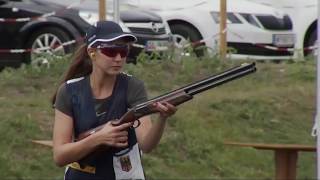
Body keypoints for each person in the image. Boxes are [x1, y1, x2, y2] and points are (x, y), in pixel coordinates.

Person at [51, 21, 177, 180]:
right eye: (110, 51)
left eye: (123, 51)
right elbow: (59, 156)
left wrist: (162, 118)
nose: (118, 58)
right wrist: (99, 138)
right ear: (92, 52)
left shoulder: (133, 87)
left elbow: (146, 144)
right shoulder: (69, 91)